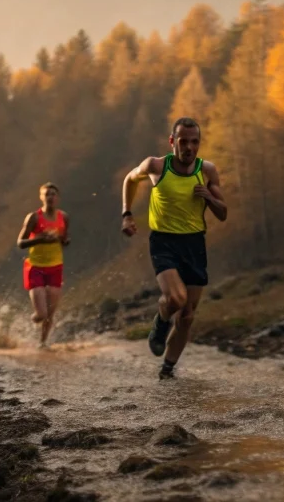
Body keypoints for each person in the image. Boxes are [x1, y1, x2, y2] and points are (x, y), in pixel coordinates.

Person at [121, 117, 227, 379]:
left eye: (194, 142)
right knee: (176, 299)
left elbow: (223, 213)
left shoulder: (208, 170)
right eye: (183, 142)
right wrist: (127, 214)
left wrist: (209, 197)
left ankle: (167, 370)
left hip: (194, 244)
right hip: (164, 242)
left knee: (188, 316)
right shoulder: (156, 166)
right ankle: (160, 321)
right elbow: (130, 180)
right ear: (172, 142)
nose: (189, 147)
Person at [16, 182, 70, 349]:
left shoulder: (64, 217)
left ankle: (42, 343)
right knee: (41, 313)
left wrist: (65, 241)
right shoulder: (34, 217)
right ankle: (30, 321)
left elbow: (64, 239)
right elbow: (20, 242)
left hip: (55, 267)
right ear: (41, 198)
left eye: (53, 194)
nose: (50, 197)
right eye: (46, 194)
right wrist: (40, 239)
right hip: (35, 267)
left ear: (57, 198)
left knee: (50, 314)